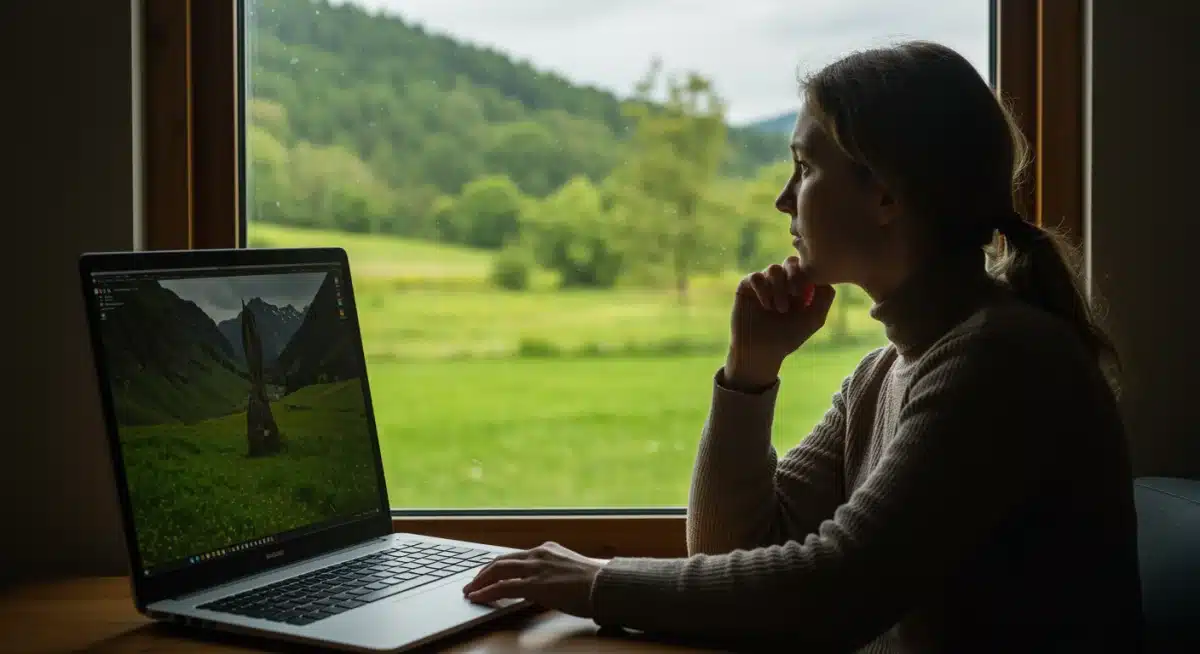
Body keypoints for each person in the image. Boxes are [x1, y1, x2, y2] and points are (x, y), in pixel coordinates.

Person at [462, 41, 1144, 652]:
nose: (784, 200)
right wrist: (749, 374)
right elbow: (729, 550)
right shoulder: (884, 373)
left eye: (804, 167)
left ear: (885, 195)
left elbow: (833, 591)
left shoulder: (1001, 362)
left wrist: (597, 581)